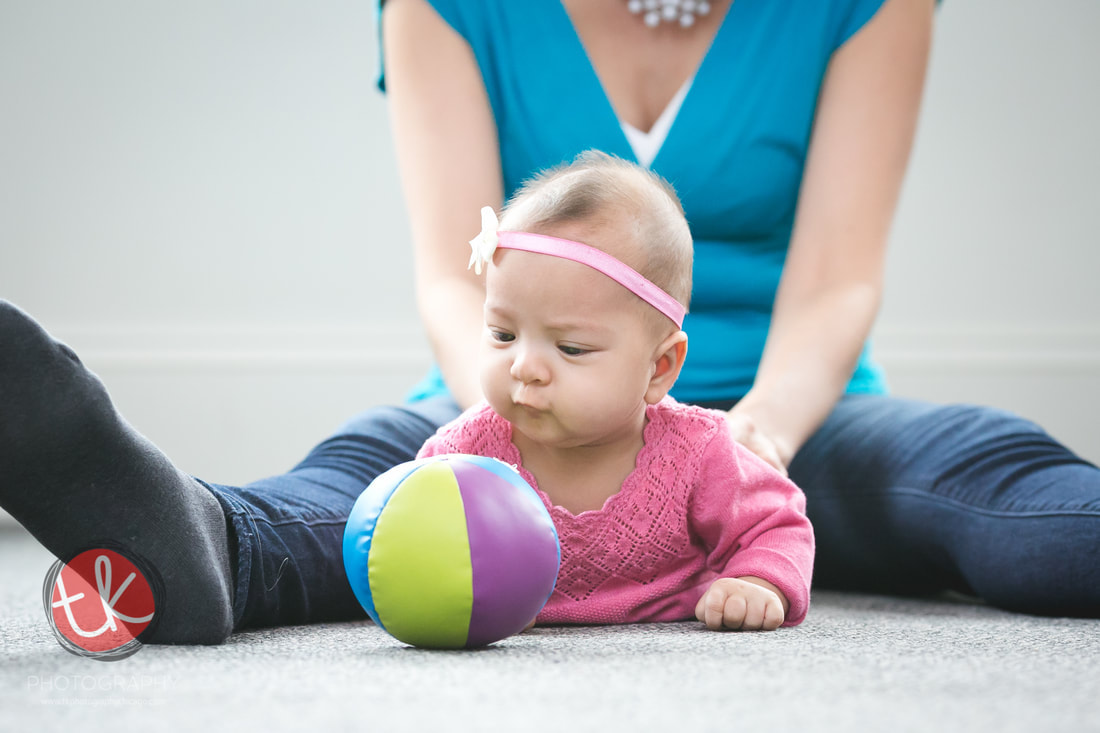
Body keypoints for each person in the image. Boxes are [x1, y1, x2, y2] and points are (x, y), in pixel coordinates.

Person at [0, 0, 1095, 648]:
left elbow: (835, 285)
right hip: (498, 399)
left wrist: (755, 432)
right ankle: (194, 536)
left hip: (791, 404)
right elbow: (449, 275)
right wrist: (506, 415)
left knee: (993, 485)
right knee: (343, 499)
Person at [417, 153, 814, 630]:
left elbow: (777, 524)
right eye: (503, 335)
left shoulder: (696, 451)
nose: (524, 367)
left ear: (659, 367)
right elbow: (422, 533)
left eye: (570, 347)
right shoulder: (462, 453)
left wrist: (758, 582)